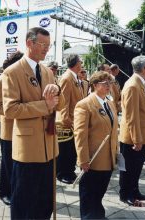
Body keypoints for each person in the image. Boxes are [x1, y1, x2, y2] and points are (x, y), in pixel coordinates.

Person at [2, 27, 64, 219]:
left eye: (49, 45)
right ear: (29, 43)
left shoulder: (47, 71)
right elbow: (10, 109)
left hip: (49, 145)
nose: (46, 49)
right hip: (27, 148)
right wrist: (44, 105)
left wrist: (57, 91)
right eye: (43, 45)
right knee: (24, 200)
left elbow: (57, 105)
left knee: (45, 200)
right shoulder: (12, 72)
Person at [74, 71, 118, 219]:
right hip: (92, 160)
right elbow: (80, 134)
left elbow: (113, 131)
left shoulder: (110, 104)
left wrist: (116, 153)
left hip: (108, 159)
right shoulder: (85, 105)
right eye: (105, 83)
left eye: (110, 83)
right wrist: (83, 159)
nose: (109, 86)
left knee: (98, 194)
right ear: (94, 85)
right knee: (89, 196)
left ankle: (98, 215)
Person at [0, 51, 24, 206]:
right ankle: (4, 192)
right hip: (9, 129)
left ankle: (16, 191)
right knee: (7, 163)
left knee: (17, 164)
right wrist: (17, 110)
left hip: (22, 129)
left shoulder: (20, 78)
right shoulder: (1, 80)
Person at [119, 55, 145, 206]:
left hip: (140, 135)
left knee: (136, 167)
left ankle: (134, 190)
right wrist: (137, 139)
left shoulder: (140, 83)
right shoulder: (133, 85)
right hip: (133, 138)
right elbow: (131, 116)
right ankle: (126, 194)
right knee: (128, 168)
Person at [56, 54, 88, 184]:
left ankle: (69, 171)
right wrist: (66, 121)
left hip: (74, 120)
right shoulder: (67, 78)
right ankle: (62, 173)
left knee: (71, 151)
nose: (82, 64)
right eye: (81, 62)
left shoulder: (74, 77)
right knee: (65, 150)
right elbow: (64, 102)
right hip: (67, 122)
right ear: (76, 64)